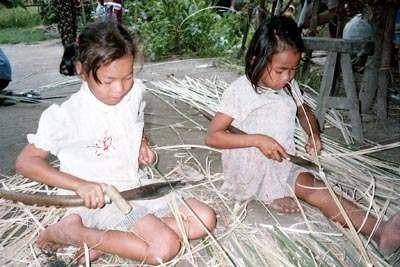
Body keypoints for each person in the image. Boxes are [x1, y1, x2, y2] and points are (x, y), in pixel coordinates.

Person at [15, 20, 216, 265]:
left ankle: (105, 240)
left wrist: (141, 143)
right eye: (108, 81)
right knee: (164, 247)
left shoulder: (134, 94)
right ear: (82, 70)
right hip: (100, 202)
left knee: (204, 218)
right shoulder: (66, 116)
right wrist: (81, 185)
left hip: (134, 188)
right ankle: (72, 232)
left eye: (128, 76)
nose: (119, 89)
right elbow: (26, 162)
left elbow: (133, 125)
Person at [205, 15, 400, 256]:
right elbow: (213, 136)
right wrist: (256, 140)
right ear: (256, 60)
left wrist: (313, 133)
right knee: (309, 186)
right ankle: (270, 194)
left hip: (283, 160)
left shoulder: (287, 84)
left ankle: (379, 231)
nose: (287, 77)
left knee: (316, 187)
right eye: (280, 70)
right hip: (250, 167)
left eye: (293, 69)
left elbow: (303, 111)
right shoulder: (241, 91)